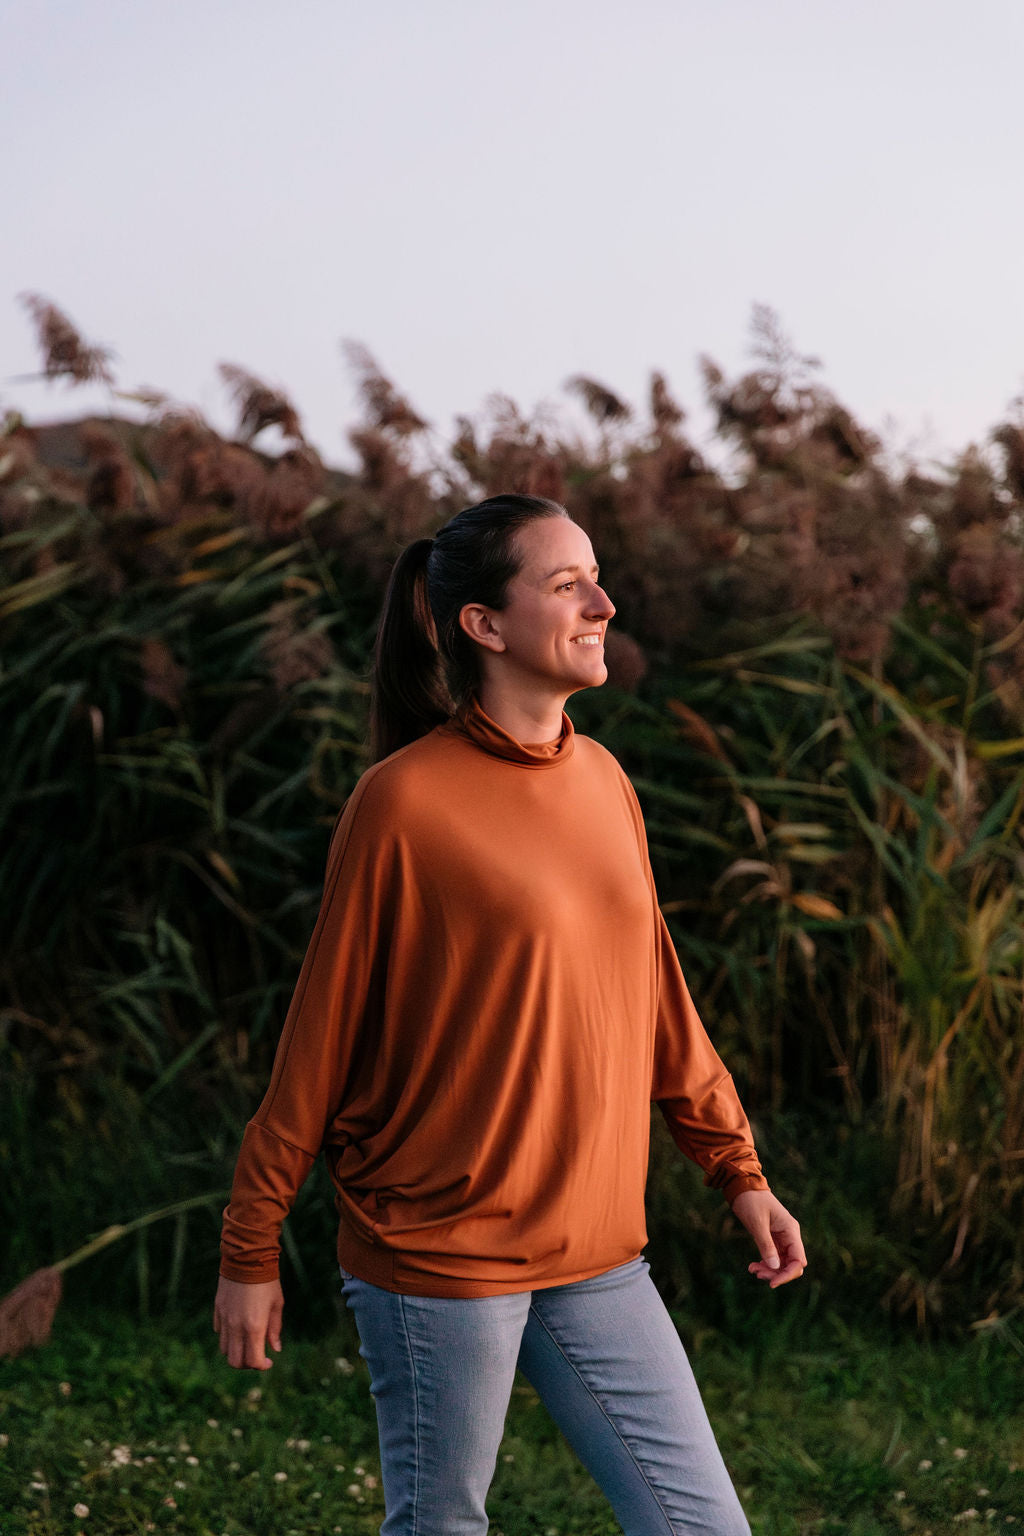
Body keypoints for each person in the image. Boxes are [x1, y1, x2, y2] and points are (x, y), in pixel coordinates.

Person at [214, 493, 805, 1536]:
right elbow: (319, 1037)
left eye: (598, 577)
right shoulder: (402, 804)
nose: (605, 603)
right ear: (484, 625)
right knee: (441, 1525)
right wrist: (248, 1246)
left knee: (701, 1525)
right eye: (567, 583)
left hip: (596, 1251)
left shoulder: (604, 779)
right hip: (441, 1251)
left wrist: (735, 1168)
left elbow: (658, 995)